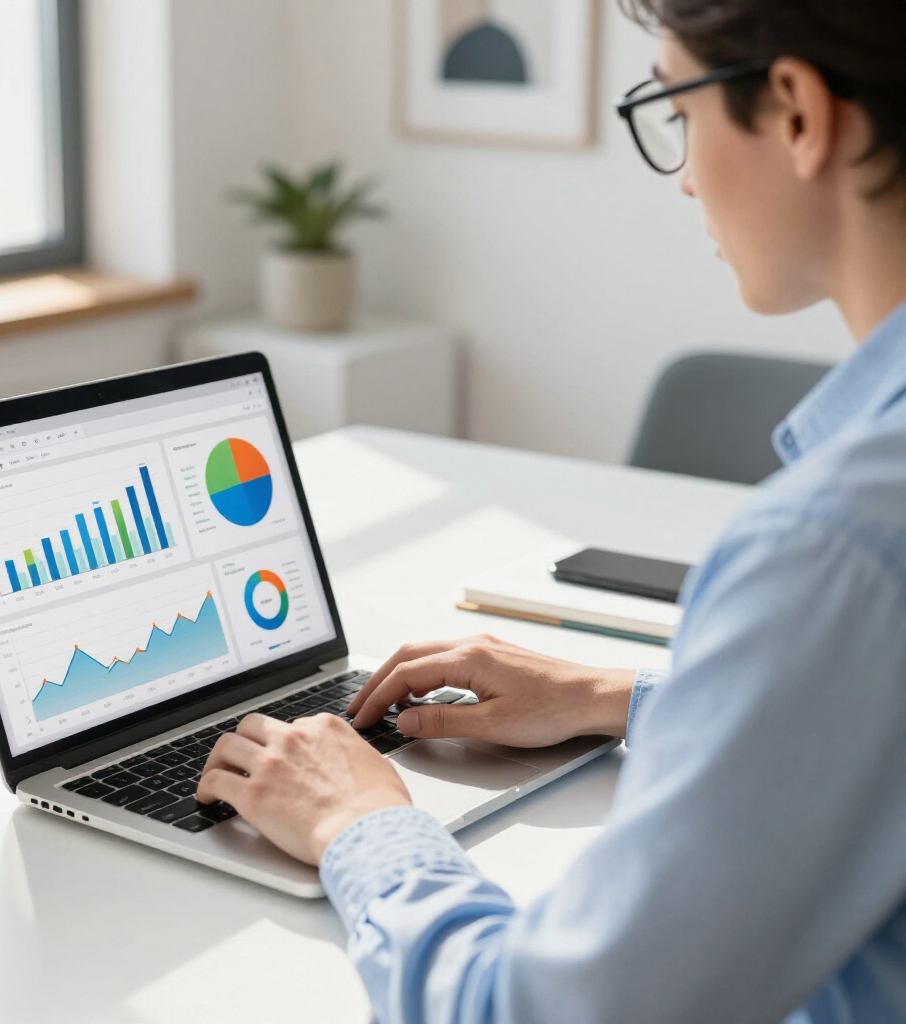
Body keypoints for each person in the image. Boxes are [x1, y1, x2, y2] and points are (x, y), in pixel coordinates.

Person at [196, 0, 906, 1019]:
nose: (687, 175)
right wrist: (617, 697)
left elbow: (535, 1008)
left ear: (796, 110)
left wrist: (358, 822)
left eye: (673, 109)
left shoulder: (835, 545)